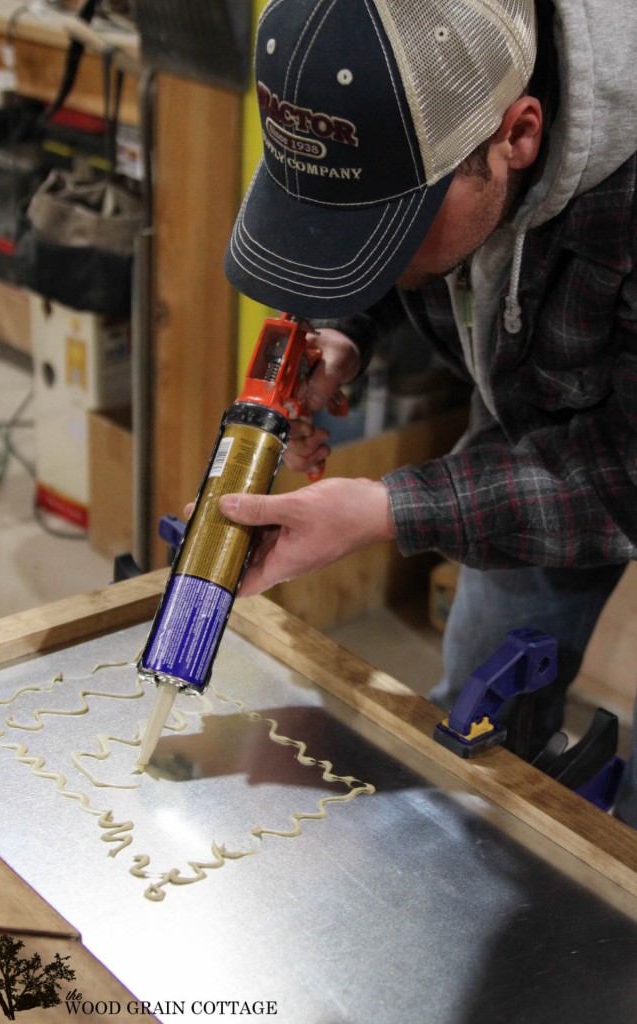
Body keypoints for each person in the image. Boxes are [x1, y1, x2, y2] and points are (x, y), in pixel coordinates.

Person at [217, 0, 637, 824]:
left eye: (391, 226)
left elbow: (626, 472)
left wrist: (388, 510)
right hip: (541, 402)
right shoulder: (409, 56)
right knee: (481, 719)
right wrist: (345, 326)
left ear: (518, 135)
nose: (375, 248)